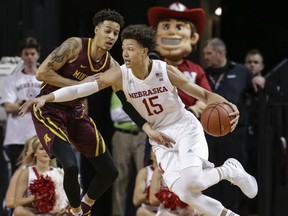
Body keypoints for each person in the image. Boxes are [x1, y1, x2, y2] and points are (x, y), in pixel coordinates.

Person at [19, 24, 259, 216]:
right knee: (185, 193)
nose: (125, 53)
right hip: (159, 137)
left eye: (131, 48)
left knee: (194, 180)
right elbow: (83, 89)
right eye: (123, 48)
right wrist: (48, 96)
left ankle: (229, 170)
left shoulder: (164, 71)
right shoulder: (119, 74)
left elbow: (205, 95)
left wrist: (227, 105)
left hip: (184, 128)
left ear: (144, 51)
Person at [16, 9, 127, 216]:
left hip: (76, 112)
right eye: (108, 31)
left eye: (115, 33)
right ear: (97, 30)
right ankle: (75, 212)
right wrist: (77, 84)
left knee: (110, 172)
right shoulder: (75, 46)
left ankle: (84, 206)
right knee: (70, 166)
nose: (111, 36)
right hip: (48, 109)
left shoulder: (111, 65)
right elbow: (42, 74)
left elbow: (128, 95)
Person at [202, 38, 265, 214]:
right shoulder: (203, 73)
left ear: (220, 53)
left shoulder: (241, 71)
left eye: (209, 53)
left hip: (235, 133)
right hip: (207, 133)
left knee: (234, 177)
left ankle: (233, 212)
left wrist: (259, 79)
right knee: (209, 174)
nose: (205, 57)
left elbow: (256, 84)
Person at [147, 2, 211, 118]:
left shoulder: (196, 70)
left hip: (187, 126)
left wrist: (194, 110)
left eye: (179, 27)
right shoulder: (149, 66)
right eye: (166, 26)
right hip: (157, 126)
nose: (172, 32)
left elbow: (207, 96)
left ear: (193, 38)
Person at [1, 37, 41, 175]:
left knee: (39, 178)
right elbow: (8, 107)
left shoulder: (45, 78)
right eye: (26, 54)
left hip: (39, 136)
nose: (30, 57)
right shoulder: (12, 80)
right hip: (17, 137)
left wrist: (22, 104)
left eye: (32, 54)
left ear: (38, 55)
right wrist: (34, 104)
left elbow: (50, 105)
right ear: (21, 56)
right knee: (17, 179)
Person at [110, 92, 147, 216]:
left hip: (142, 136)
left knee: (145, 178)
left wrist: (130, 113)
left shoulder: (142, 88)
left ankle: (145, 213)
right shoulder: (118, 88)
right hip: (122, 136)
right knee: (120, 179)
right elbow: (115, 114)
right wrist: (139, 114)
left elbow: (150, 113)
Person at [13, 137, 67, 216]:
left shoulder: (58, 172)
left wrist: (60, 208)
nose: (46, 152)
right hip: (33, 212)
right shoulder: (27, 172)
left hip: (53, 212)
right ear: (35, 153)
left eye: (48, 150)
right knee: (18, 210)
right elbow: (17, 202)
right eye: (42, 149)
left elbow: (65, 199)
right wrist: (35, 198)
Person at [243, 49, 265, 215]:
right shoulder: (240, 85)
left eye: (255, 62)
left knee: (260, 174)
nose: (252, 65)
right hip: (242, 139)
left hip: (261, 140)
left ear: (262, 66)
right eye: (249, 62)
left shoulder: (269, 86)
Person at [5, 135, 38, 214]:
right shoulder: (22, 171)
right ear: (26, 152)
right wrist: (34, 201)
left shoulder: (55, 170)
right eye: (34, 147)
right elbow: (9, 202)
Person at [132, 150, 159, 216]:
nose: (158, 151)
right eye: (155, 148)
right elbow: (136, 199)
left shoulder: (172, 171)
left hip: (169, 211)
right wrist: (158, 193)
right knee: (141, 211)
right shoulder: (145, 172)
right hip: (150, 212)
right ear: (150, 155)